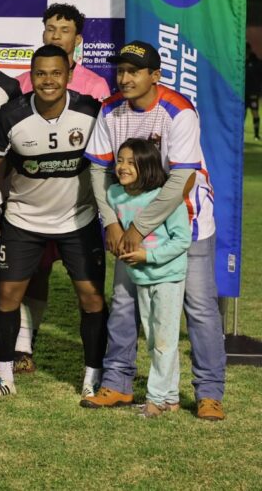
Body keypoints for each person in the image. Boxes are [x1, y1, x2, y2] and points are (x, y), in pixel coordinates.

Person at [81, 41, 226, 421]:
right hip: (129, 223)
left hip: (186, 222)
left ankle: (209, 392)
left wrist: (137, 228)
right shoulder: (110, 109)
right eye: (121, 70)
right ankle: (118, 382)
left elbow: (182, 179)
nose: (125, 78)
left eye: (134, 71)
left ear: (155, 76)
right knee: (124, 303)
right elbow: (98, 170)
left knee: (199, 309)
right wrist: (112, 223)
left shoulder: (178, 110)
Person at [0, 45, 106, 401]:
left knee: (92, 298)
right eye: (40, 74)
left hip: (77, 220)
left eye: (56, 73)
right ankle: (4, 375)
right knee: (7, 295)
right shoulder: (11, 115)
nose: (48, 81)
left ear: (69, 75)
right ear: (31, 77)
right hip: (23, 218)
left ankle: (93, 377)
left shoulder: (90, 111)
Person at [12, 3, 111, 372]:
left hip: (78, 206)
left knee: (86, 284)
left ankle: (97, 361)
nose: (56, 35)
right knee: (32, 274)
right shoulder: (23, 83)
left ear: (77, 39)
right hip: (32, 205)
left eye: (64, 30)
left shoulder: (95, 86)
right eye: (50, 28)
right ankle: (24, 345)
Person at [107, 139, 191, 417]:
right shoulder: (114, 194)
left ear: (148, 166)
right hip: (140, 277)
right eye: (120, 160)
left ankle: (155, 401)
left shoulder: (164, 199)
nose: (123, 167)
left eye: (132, 162)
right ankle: (171, 398)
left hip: (168, 276)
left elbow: (183, 240)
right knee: (156, 339)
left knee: (164, 340)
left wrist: (148, 256)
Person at [246, 44, 261, 141]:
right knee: (241, 114)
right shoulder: (240, 62)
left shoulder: (256, 62)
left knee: (255, 112)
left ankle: (256, 135)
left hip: (253, 93)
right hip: (242, 94)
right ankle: (239, 134)